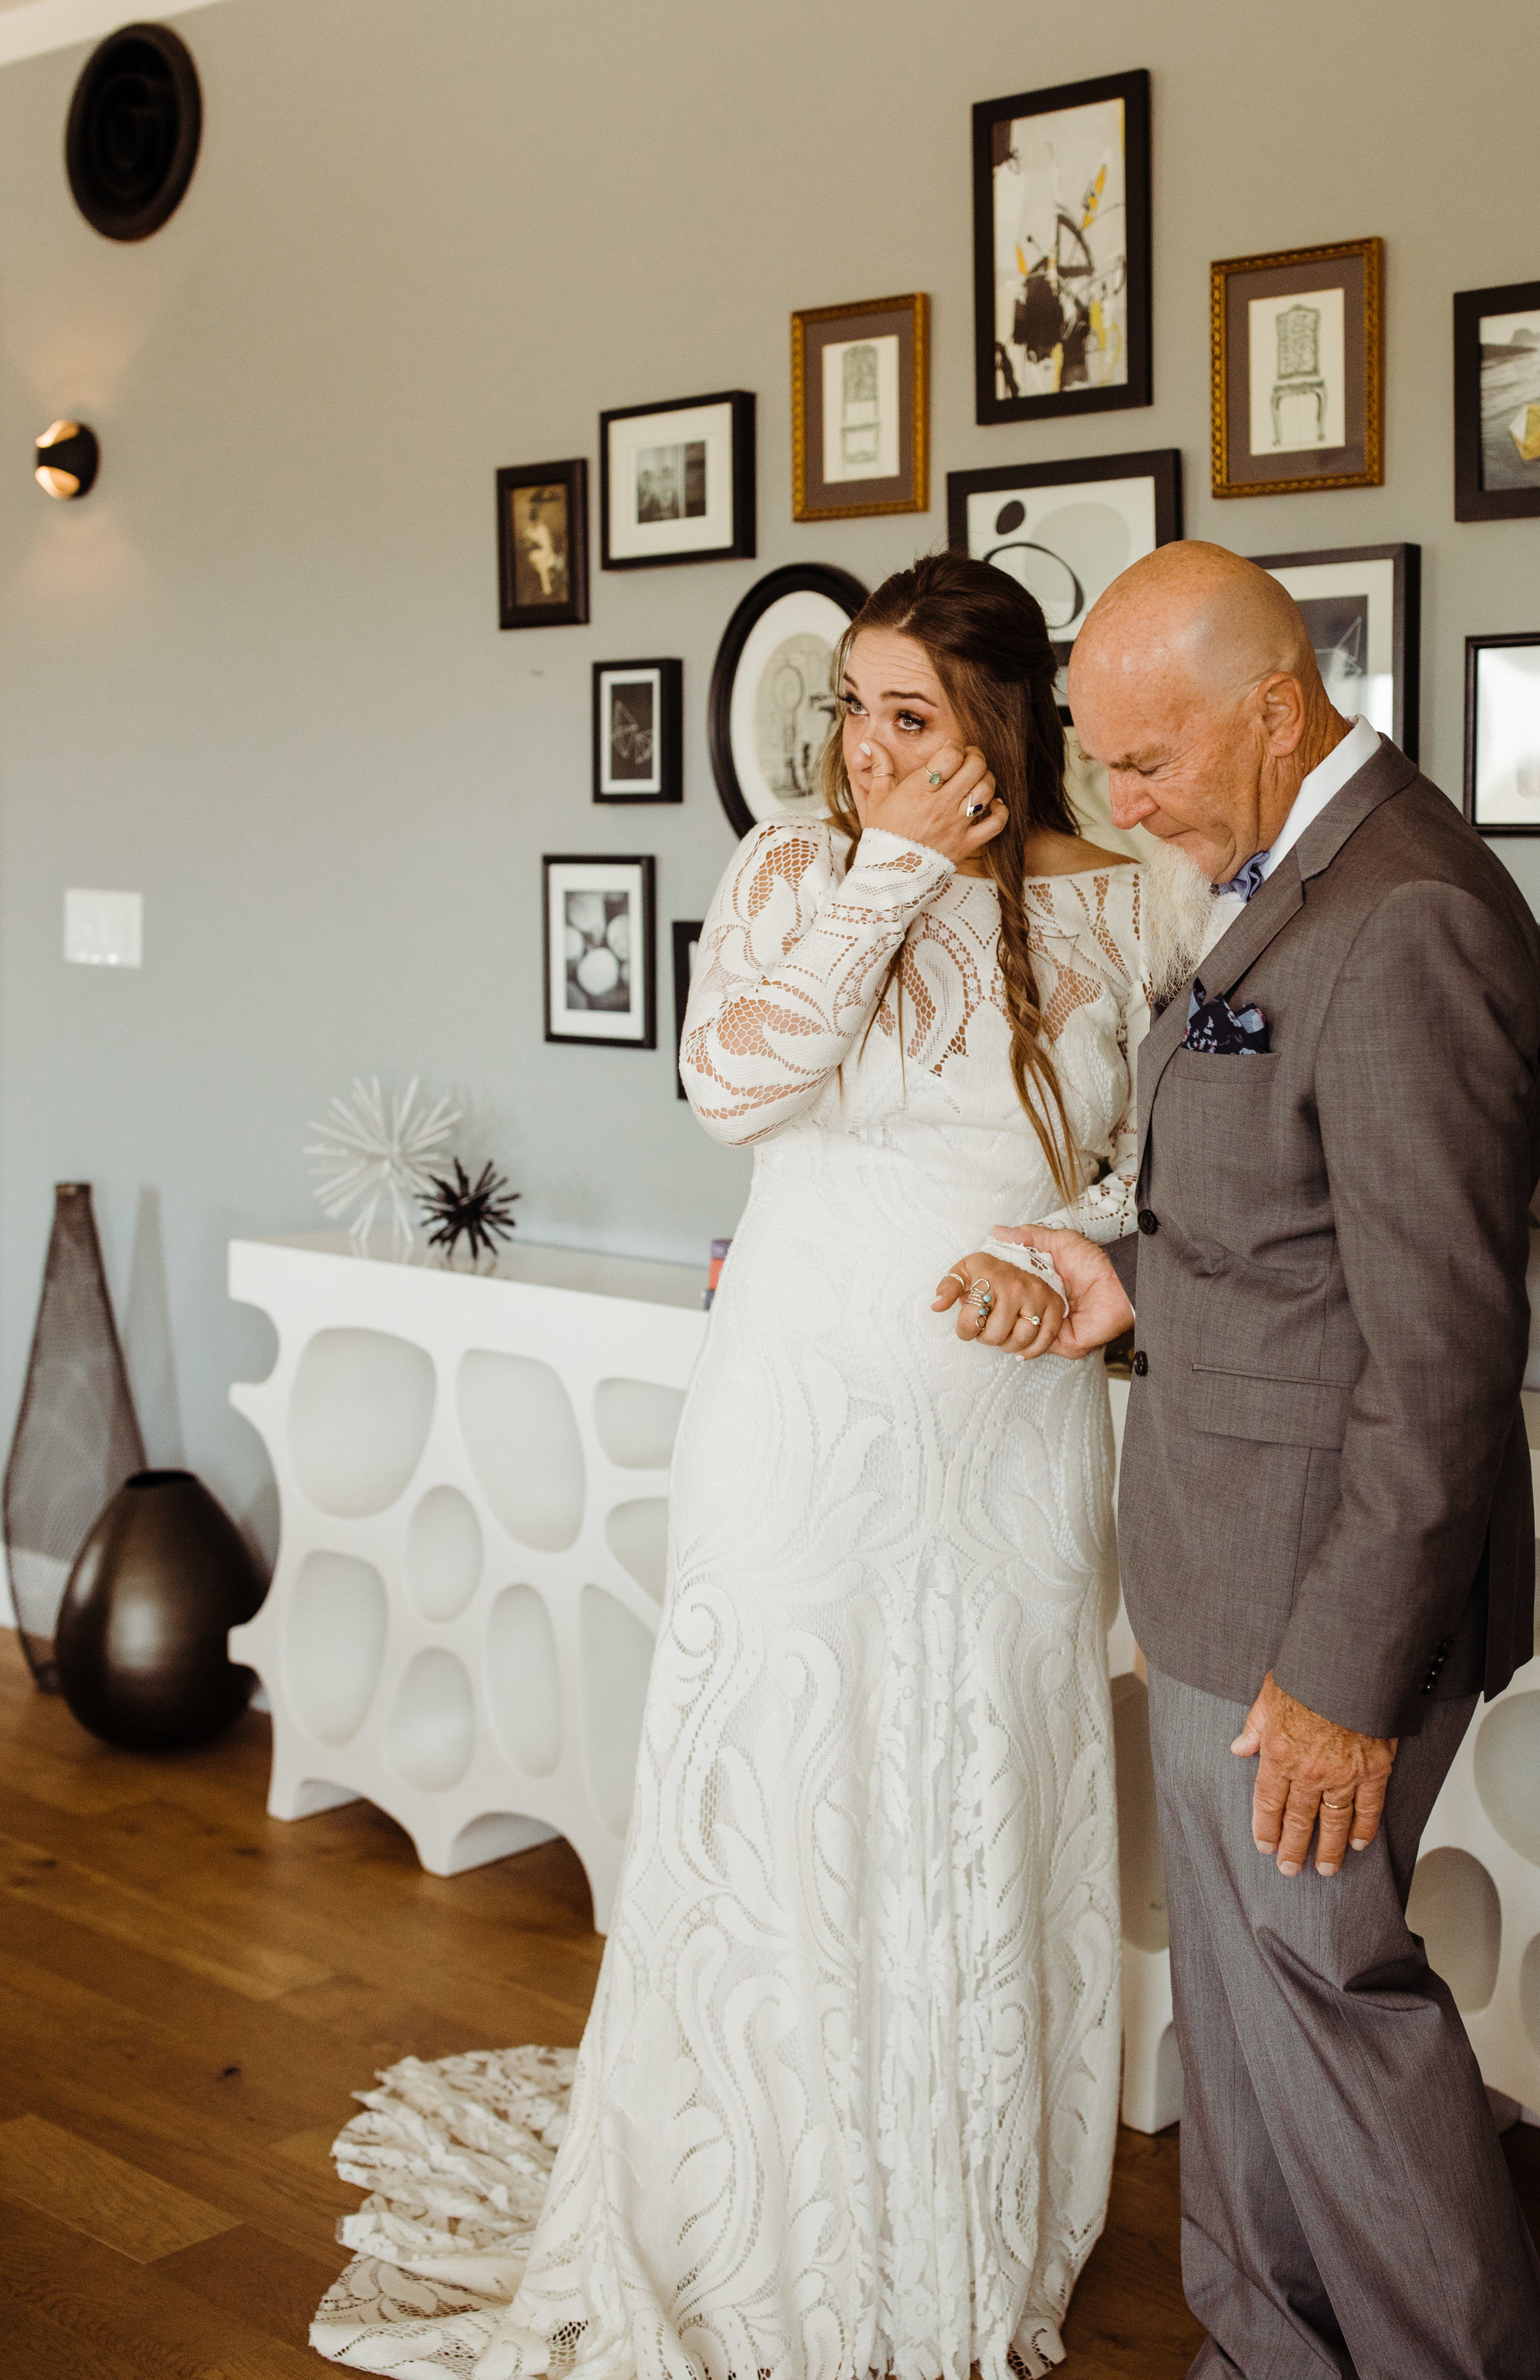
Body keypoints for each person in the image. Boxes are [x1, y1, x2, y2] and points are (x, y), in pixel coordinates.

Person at [309, 554, 1151, 2380]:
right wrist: (898, 870)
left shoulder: (1129, 908)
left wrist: (1075, 1253)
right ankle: (755, 2198)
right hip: (797, 1410)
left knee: (975, 1790)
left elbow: (1156, 1170)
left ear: (1007, 724)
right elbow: (731, 1085)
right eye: (851, 708)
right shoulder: (791, 870)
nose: (862, 747)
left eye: (906, 717)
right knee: (785, 1778)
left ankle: (954, 2210)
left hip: (1008, 1434)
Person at [1005, 541, 1540, 2380]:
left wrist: (1340, 1680)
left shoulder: (1402, 912)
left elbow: (1439, 1356)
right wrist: (1125, 1286)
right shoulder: (1274, 886)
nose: (1121, 803)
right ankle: (1263, 2355)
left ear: (1276, 710)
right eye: (1098, 763)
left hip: (1317, 1614)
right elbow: (1281, 1245)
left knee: (1326, 2002)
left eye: (1149, 761)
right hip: (1212, 1568)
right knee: (1245, 2022)